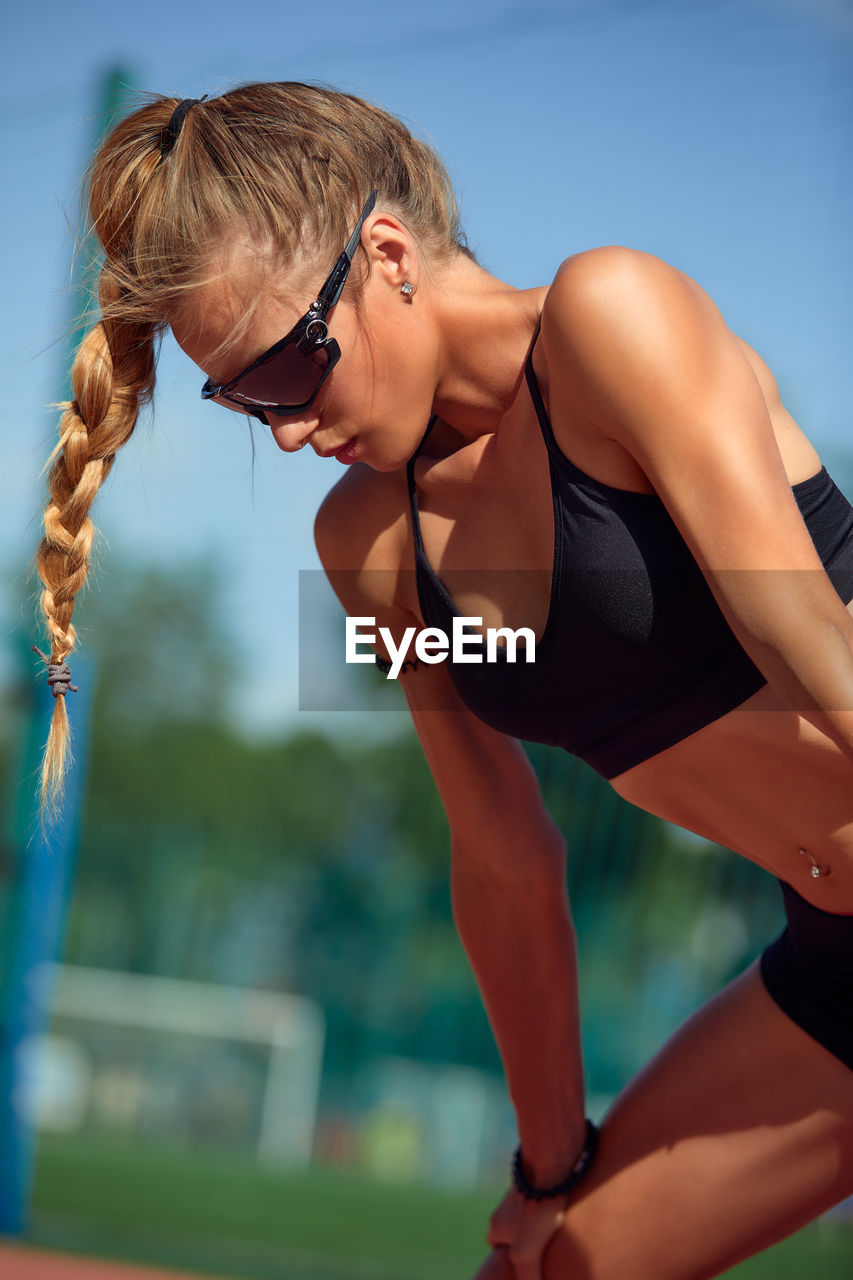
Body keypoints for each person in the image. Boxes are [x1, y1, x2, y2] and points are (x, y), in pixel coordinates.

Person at [32, 82, 853, 1280]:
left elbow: (802, 632)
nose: (286, 431)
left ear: (387, 253)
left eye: (290, 370)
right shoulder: (366, 549)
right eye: (241, 397)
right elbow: (503, 855)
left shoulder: (609, 313)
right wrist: (547, 1164)